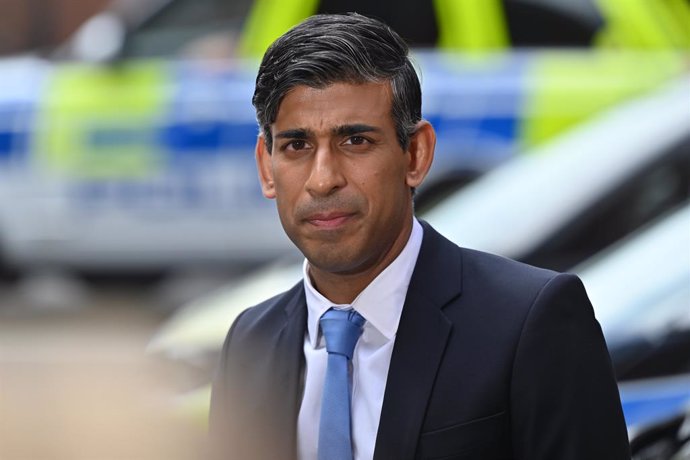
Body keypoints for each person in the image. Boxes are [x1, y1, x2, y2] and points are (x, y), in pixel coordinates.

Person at [210, 13, 631, 460]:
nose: (323, 179)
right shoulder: (250, 341)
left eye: (355, 141)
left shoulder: (530, 321)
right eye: (297, 146)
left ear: (416, 155)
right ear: (265, 166)